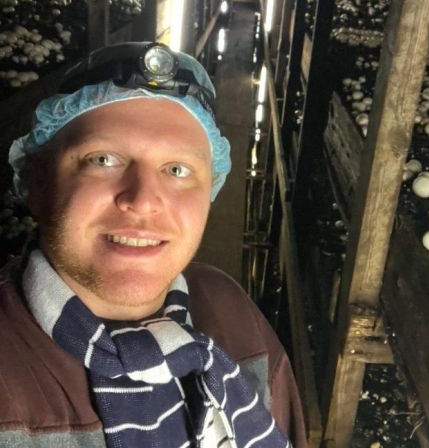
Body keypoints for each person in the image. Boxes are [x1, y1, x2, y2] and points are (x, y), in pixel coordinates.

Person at [0, 42, 306, 447]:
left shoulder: (231, 312)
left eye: (177, 170)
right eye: (103, 160)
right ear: (37, 184)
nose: (142, 200)